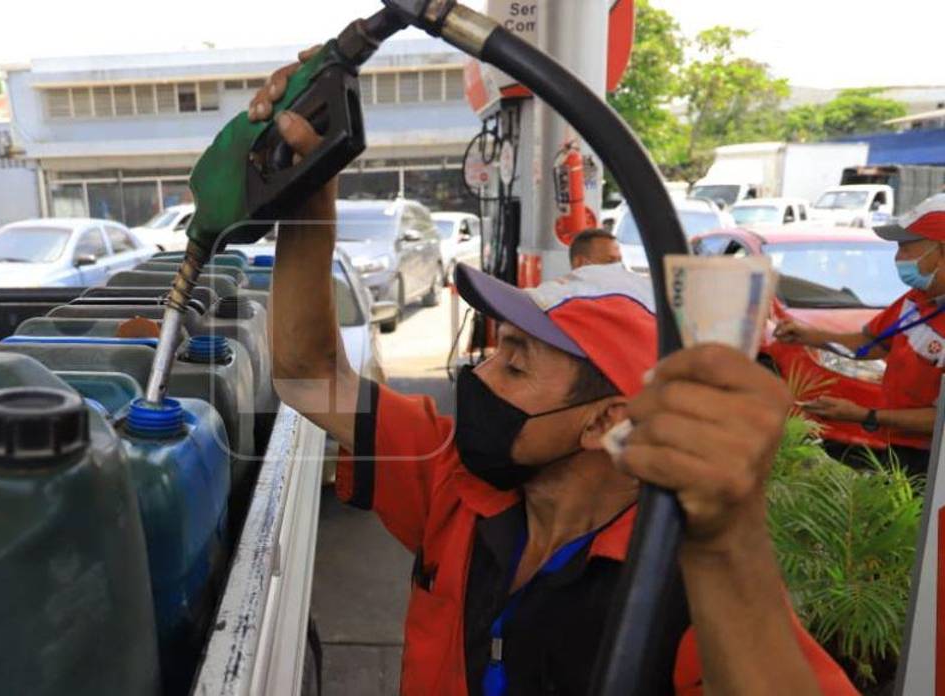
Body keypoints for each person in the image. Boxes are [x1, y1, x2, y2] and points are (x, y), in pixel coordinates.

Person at [251, 52, 855, 695]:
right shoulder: (453, 480)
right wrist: (311, 193)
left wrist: (728, 542)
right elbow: (307, 372)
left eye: (515, 363)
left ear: (605, 420)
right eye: (494, 350)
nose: (480, 377)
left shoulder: (690, 588)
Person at [775, 193, 945, 474]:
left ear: (941, 250)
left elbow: (940, 420)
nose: (898, 258)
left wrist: (864, 416)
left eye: (906, 248)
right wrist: (807, 335)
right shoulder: (916, 299)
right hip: (899, 447)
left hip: (934, 462)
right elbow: (871, 343)